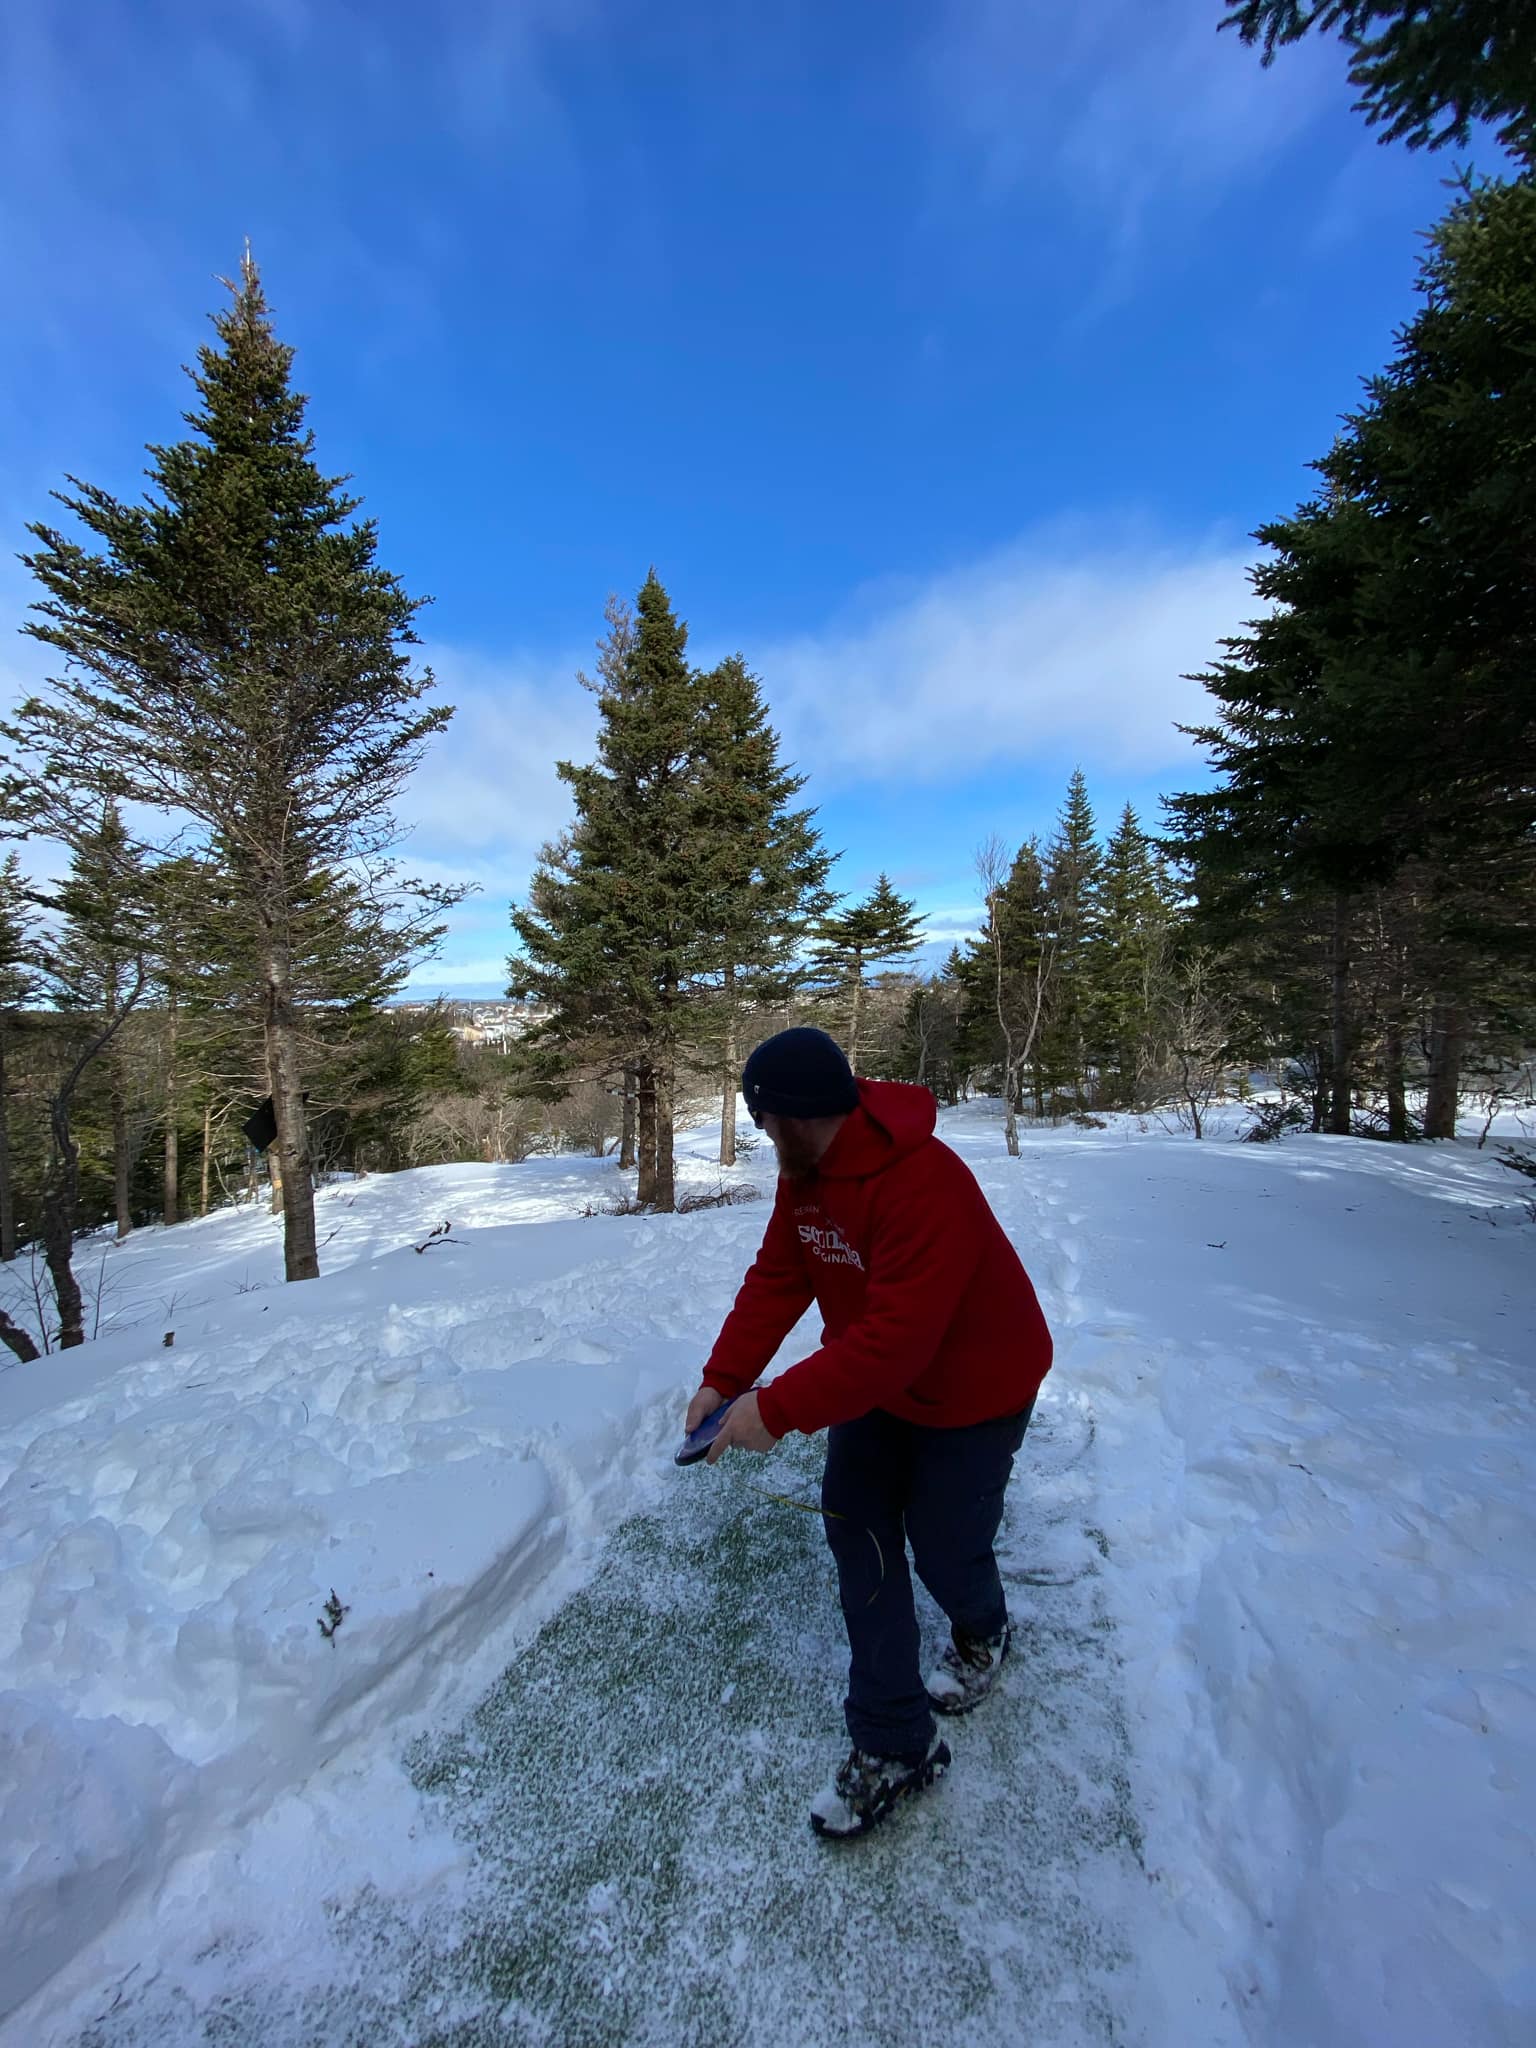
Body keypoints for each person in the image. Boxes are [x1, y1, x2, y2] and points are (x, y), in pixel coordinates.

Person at [686, 1026, 1053, 1839]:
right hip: (875, 1383)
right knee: (859, 1529)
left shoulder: (923, 1181)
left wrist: (775, 1410)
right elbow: (781, 1276)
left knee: (945, 1542)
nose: (760, 1135)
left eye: (763, 1120)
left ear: (795, 1116)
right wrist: (725, 1377)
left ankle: (982, 1625)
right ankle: (894, 1743)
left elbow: (898, 1340)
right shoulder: (805, 1173)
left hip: (976, 1389)